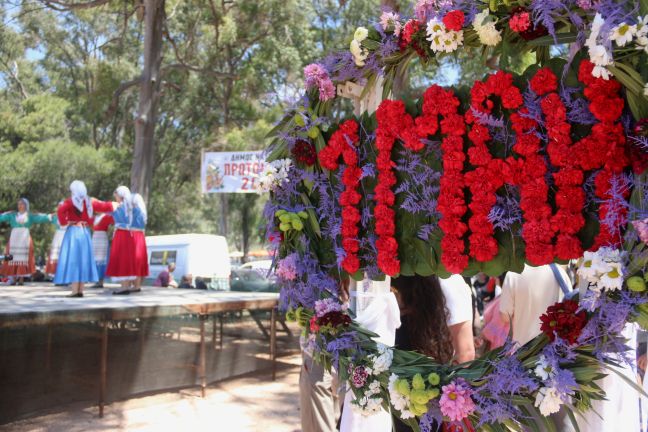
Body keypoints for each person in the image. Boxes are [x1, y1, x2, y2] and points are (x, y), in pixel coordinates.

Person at [391, 275, 475, 432]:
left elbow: (466, 353)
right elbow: (466, 353)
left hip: (409, 395)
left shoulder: (404, 279)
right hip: (434, 395)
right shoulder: (451, 282)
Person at [95, 187, 149, 295]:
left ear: (120, 195)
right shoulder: (137, 208)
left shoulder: (118, 207)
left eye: (116, 196)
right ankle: (133, 286)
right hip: (134, 235)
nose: (115, 198)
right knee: (132, 261)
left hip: (123, 235)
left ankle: (124, 287)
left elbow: (100, 208)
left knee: (123, 261)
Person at [499, 264, 570, 346]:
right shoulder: (560, 272)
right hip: (555, 349)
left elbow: (505, 317)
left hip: (524, 349)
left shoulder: (513, 274)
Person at [54, 181, 101, 297]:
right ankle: (80, 290)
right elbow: (91, 218)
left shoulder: (70, 201)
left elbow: (60, 211)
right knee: (83, 260)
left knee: (75, 261)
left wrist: (65, 222)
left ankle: (75, 291)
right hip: (85, 232)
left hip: (74, 231)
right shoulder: (87, 202)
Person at [0, 198, 52, 285]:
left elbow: (40, 218)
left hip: (24, 237)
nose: (20, 206)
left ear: (26, 205)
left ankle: (21, 278)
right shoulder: (12, 215)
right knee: (12, 257)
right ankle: (13, 277)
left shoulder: (30, 216)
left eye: (22, 204)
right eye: (19, 204)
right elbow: (2, 217)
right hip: (14, 237)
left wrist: (50, 216)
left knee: (23, 257)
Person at [91, 213, 114, 288]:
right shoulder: (93, 217)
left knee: (101, 259)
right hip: (95, 237)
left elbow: (114, 222)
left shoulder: (107, 216)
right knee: (95, 259)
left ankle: (100, 281)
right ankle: (97, 280)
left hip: (102, 237)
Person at [45, 207, 67, 278]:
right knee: (56, 256)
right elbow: (48, 217)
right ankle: (58, 276)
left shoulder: (69, 216)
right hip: (58, 237)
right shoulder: (56, 217)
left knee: (66, 256)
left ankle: (66, 276)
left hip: (67, 236)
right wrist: (53, 214)